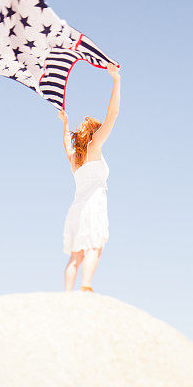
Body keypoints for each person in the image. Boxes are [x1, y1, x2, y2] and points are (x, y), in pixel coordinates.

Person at [58, 61, 121, 292]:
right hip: (93, 204)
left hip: (76, 207)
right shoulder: (95, 148)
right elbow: (112, 114)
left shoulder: (76, 159)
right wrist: (116, 80)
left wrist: (65, 125)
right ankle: (86, 287)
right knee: (95, 246)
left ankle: (67, 294)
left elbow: (66, 143)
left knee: (76, 255)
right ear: (95, 133)